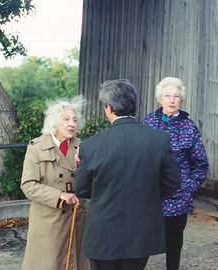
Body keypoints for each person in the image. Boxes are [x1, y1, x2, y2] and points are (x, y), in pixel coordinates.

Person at [74, 79, 181, 270]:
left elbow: (81, 189)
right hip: (141, 232)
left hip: (103, 233)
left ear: (108, 107)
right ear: (134, 105)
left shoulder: (90, 146)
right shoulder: (159, 140)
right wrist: (147, 192)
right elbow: (173, 182)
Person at [141, 77, 209, 270]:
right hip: (151, 197)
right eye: (167, 96)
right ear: (159, 99)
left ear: (181, 99)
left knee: (173, 244)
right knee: (143, 242)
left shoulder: (189, 126)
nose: (171, 100)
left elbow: (201, 162)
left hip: (179, 198)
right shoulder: (148, 122)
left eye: (176, 96)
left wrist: (189, 187)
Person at [20, 97, 90, 270]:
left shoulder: (84, 147)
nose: (72, 124)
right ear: (53, 123)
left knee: (77, 263)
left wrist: (83, 170)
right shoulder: (36, 147)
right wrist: (59, 195)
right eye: (66, 119)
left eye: (74, 120)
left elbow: (91, 183)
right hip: (48, 223)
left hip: (77, 220)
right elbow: (28, 185)